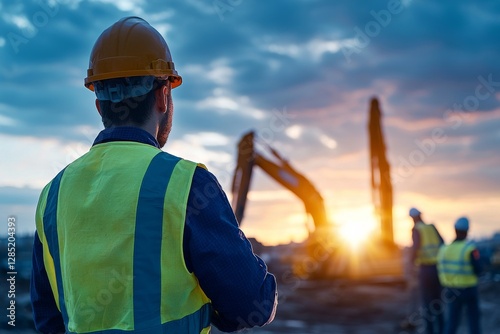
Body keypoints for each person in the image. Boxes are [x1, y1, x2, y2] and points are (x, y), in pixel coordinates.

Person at [30, 16, 277, 334]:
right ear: (163, 96)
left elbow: (48, 321)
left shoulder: (52, 196)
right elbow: (250, 305)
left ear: (98, 105)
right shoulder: (186, 184)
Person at [437, 217, 482, 334]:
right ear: (467, 231)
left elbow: (440, 269)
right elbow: (478, 269)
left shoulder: (443, 249)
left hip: (451, 290)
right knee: (473, 321)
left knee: (452, 322)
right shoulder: (470, 249)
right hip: (469, 289)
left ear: (455, 230)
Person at [409, 207, 445, 334]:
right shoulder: (432, 227)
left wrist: (411, 265)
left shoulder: (416, 230)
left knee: (427, 304)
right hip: (437, 269)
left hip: (425, 270)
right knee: (438, 303)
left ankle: (429, 331)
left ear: (413, 218)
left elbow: (415, 248)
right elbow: (442, 243)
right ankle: (441, 330)